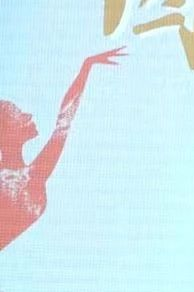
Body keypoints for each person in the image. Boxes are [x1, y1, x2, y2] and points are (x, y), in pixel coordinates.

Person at [1, 48, 125, 251]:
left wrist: (86, 68)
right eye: (18, 114)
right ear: (6, 131)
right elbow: (63, 122)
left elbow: (64, 122)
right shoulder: (28, 178)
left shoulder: (28, 176)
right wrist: (86, 68)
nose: (28, 115)